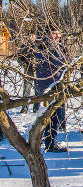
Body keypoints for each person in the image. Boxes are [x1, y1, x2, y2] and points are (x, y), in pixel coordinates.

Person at [36, 24, 69, 152]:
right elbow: (55, 62)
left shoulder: (50, 45)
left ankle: (49, 140)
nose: (57, 36)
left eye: (58, 34)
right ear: (48, 33)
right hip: (48, 84)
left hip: (53, 83)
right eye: (54, 33)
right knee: (51, 114)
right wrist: (65, 61)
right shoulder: (46, 46)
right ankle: (50, 143)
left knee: (52, 114)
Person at [18, 33, 38, 113]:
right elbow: (19, 57)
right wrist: (24, 64)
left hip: (37, 72)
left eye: (33, 36)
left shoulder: (39, 45)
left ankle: (36, 108)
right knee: (26, 90)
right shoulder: (24, 46)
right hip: (28, 71)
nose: (32, 37)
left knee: (38, 91)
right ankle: (24, 108)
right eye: (30, 36)